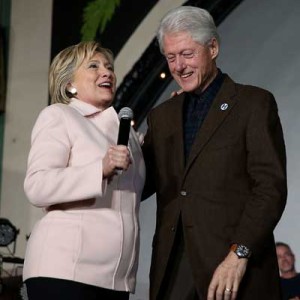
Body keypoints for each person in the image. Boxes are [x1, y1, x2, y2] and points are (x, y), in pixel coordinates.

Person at [142, 6, 287, 300]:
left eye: (187, 54)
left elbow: (270, 187)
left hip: (233, 268)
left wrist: (239, 252)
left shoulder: (253, 104)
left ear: (213, 47)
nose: (179, 66)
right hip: (173, 272)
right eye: (171, 57)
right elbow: (141, 185)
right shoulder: (162, 117)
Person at [23, 41, 145, 300]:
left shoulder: (127, 135)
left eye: (109, 67)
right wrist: (99, 168)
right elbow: (37, 185)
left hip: (116, 279)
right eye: (94, 66)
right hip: (64, 272)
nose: (107, 72)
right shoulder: (59, 116)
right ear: (69, 84)